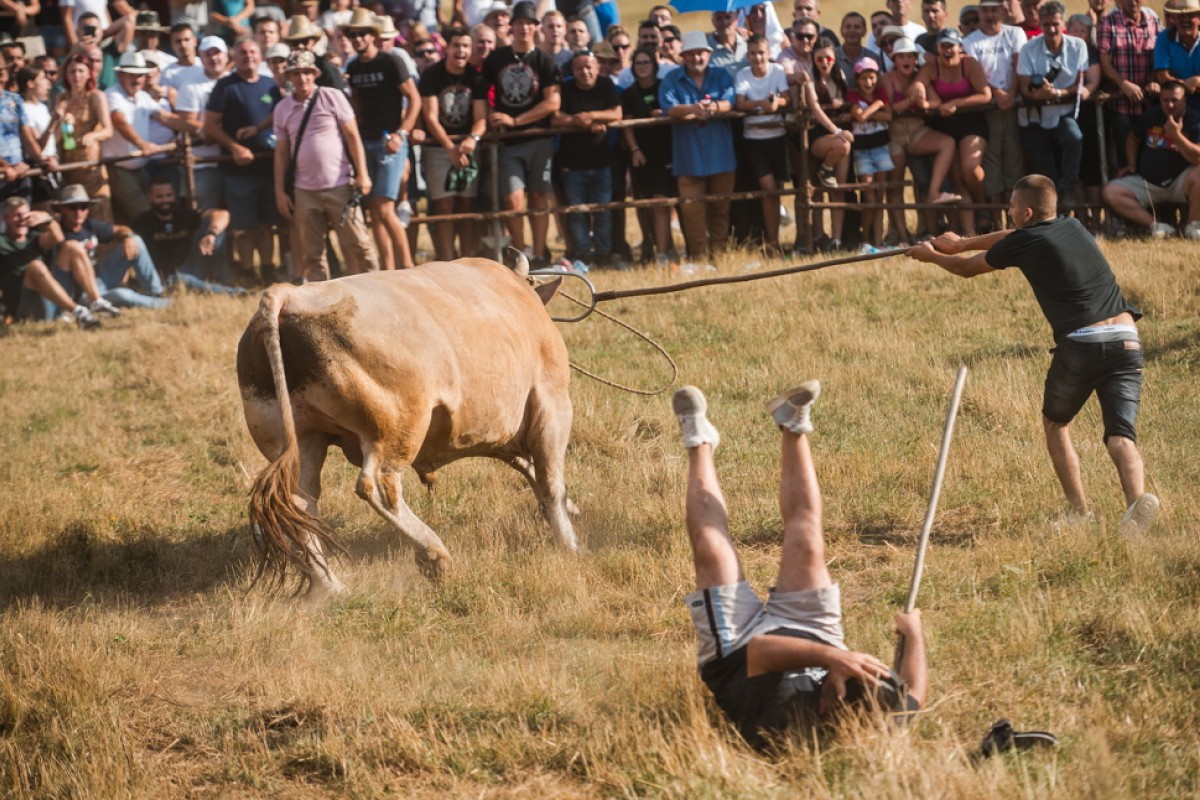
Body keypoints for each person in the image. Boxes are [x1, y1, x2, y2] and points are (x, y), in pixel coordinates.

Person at [670, 380, 927, 752]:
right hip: (813, 636)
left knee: (712, 547)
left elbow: (762, 650)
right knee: (807, 541)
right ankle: (792, 424)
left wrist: (835, 657)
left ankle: (699, 441)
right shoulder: (876, 717)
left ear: (830, 699)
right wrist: (914, 633)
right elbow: (914, 695)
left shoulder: (785, 724)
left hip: (739, 650)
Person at [908, 174, 1160, 535]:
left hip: (1083, 342)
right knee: (1121, 435)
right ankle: (1136, 502)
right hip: (1127, 339)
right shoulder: (1073, 226)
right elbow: (1011, 238)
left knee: (1056, 425)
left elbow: (967, 270)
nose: (1007, 212)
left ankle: (1079, 513)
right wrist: (961, 243)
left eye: (1011, 207)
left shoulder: (1025, 239)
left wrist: (931, 257)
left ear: (1025, 212)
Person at [272, 50, 376, 281]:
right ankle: (323, 307)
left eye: (307, 72)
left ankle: (378, 292)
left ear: (315, 74)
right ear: (289, 76)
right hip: (304, 189)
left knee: (360, 245)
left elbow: (352, 136)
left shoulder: (332, 97)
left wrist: (363, 174)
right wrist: (280, 191)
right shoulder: (282, 109)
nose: (302, 78)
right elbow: (281, 153)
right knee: (313, 254)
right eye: (296, 73)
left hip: (340, 184)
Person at [477, 0, 561, 266]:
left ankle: (539, 253)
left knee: (539, 197)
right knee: (512, 199)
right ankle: (520, 254)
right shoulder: (496, 59)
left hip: (539, 138)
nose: (524, 28)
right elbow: (482, 95)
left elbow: (552, 103)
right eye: (519, 23)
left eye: (529, 23)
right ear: (510, 27)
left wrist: (516, 119)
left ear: (536, 28)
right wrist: (488, 118)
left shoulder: (545, 61)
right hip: (508, 143)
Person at [343, 8, 420, 270]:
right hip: (366, 142)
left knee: (386, 208)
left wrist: (402, 134)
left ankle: (408, 268)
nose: (357, 38)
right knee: (375, 210)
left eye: (362, 33)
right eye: (352, 34)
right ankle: (387, 271)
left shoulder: (390, 62)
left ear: (373, 35)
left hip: (390, 142)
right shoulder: (352, 67)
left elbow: (415, 99)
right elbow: (355, 106)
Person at [204, 38, 282, 283]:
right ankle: (248, 272)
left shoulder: (271, 85)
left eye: (252, 51)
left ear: (260, 56)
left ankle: (269, 269)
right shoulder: (225, 86)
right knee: (244, 228)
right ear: (233, 58)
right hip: (238, 171)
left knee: (268, 226)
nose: (248, 56)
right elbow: (209, 124)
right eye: (242, 53)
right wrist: (234, 147)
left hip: (269, 168)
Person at [660, 29, 736, 263]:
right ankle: (700, 258)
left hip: (720, 155)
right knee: (692, 212)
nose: (697, 58)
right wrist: (692, 109)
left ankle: (720, 256)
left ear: (709, 54)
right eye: (691, 54)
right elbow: (668, 106)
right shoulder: (672, 79)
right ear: (683, 56)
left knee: (720, 209)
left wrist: (714, 108)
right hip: (688, 158)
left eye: (701, 53)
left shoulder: (722, 75)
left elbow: (730, 100)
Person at [881, 38, 960, 246]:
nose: (906, 60)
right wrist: (910, 102)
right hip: (894, 137)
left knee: (947, 143)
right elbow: (889, 108)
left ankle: (935, 193)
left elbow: (936, 102)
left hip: (916, 131)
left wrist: (924, 103)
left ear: (916, 59)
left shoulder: (919, 78)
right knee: (896, 188)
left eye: (910, 56)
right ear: (894, 59)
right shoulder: (887, 78)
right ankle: (903, 238)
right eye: (902, 56)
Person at [420, 26, 487, 261]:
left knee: (467, 205)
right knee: (444, 207)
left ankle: (467, 261)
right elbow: (430, 117)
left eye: (466, 46)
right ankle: (448, 261)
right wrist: (449, 147)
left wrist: (472, 138)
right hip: (439, 148)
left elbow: (481, 118)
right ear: (446, 47)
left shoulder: (476, 76)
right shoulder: (431, 75)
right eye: (457, 45)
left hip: (467, 148)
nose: (461, 50)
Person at [1101, 80, 1200, 238]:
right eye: (1165, 100)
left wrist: (1176, 135)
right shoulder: (1152, 115)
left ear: (1184, 100)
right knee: (1111, 191)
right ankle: (1157, 226)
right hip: (1148, 183)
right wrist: (1132, 163)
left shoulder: (1194, 119)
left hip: (1180, 184)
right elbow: (1133, 138)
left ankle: (1194, 226)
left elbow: (1198, 158)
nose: (1170, 105)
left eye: (1174, 100)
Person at [1016, 2, 1090, 211]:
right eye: (1046, 24)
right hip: (1035, 117)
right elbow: (1024, 86)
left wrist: (1056, 93)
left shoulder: (1078, 46)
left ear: (1064, 23)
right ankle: (1052, 210)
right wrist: (1037, 94)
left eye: (1055, 24)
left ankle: (1067, 191)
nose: (1051, 29)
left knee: (1074, 138)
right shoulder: (1029, 48)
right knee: (1044, 168)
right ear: (1039, 24)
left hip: (1064, 113)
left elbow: (1081, 82)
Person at [51, 183, 170, 312]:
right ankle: (167, 305)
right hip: (80, 293)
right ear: (62, 209)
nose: (78, 211)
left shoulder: (89, 225)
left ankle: (157, 292)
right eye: (72, 207)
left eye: (83, 206)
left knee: (135, 240)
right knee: (123, 295)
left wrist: (127, 236)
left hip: (100, 279)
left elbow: (120, 229)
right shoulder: (57, 233)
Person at [917, 27, 991, 236]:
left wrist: (956, 103)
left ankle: (982, 204)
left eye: (952, 46)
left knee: (970, 166)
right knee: (957, 179)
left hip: (971, 121)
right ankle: (969, 232)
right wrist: (921, 91)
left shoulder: (970, 64)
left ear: (960, 48)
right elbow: (916, 86)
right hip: (945, 126)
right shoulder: (931, 67)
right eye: (944, 47)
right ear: (938, 49)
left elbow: (985, 95)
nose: (948, 51)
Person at [551, 49, 621, 268]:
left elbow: (616, 114)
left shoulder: (606, 85)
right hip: (571, 164)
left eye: (589, 66)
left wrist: (591, 116)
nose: (585, 71)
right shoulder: (565, 88)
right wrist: (575, 120)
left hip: (601, 161)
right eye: (579, 67)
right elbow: (555, 118)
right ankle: (582, 253)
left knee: (602, 211)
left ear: (597, 68)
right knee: (576, 212)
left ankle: (603, 253)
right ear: (572, 70)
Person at [965, 0, 1027, 222]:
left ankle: (1015, 220)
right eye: (985, 10)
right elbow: (975, 75)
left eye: (994, 10)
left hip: (1013, 106)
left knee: (1013, 159)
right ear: (979, 12)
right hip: (987, 109)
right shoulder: (970, 41)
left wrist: (1010, 92)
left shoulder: (1015, 33)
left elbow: (1018, 65)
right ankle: (995, 221)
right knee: (991, 163)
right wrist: (998, 94)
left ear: (1003, 11)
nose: (990, 15)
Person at [132, 175, 247, 293]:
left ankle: (223, 280)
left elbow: (223, 214)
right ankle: (235, 293)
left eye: (169, 195)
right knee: (179, 279)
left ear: (175, 195)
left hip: (193, 267)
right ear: (149, 198)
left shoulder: (185, 214)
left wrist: (211, 233)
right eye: (159, 197)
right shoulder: (142, 222)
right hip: (165, 277)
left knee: (215, 228)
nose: (165, 200)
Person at [0, 195, 103, 327]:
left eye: (25, 215)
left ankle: (97, 302)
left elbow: (58, 238)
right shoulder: (2, 242)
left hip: (51, 298)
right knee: (36, 266)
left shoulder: (34, 239)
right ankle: (79, 312)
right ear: (4, 218)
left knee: (72, 246)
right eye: (16, 215)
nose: (22, 219)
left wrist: (48, 220)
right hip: (25, 308)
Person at [736, 34, 790, 256]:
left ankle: (773, 241)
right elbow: (740, 102)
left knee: (776, 190)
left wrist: (777, 103)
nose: (757, 57)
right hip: (755, 140)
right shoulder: (743, 74)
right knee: (768, 189)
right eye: (752, 53)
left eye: (761, 52)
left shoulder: (777, 71)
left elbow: (787, 98)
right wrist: (762, 103)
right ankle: (771, 242)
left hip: (777, 136)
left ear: (768, 53)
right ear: (747, 55)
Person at [621, 46, 675, 265]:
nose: (642, 67)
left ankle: (669, 251)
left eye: (646, 62)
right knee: (653, 203)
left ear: (655, 65)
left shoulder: (665, 88)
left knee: (669, 202)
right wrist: (634, 150)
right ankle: (660, 251)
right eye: (638, 63)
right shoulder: (629, 94)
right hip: (643, 155)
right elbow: (627, 126)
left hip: (669, 151)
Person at [1098, 0, 1162, 173]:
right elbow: (1105, 62)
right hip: (1121, 105)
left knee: (1152, 152)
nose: (1132, 2)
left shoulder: (1154, 22)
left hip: (1149, 103)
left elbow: (1161, 57)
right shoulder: (1108, 22)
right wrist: (1123, 84)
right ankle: (1127, 194)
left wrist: (1155, 80)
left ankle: (1151, 195)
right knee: (1125, 159)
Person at [103, 51, 164, 224]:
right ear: (121, 75)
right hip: (119, 169)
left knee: (140, 216)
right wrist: (142, 144)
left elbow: (165, 117)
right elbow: (119, 121)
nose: (136, 79)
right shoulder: (112, 94)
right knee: (144, 216)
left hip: (138, 168)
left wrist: (198, 129)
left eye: (140, 75)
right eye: (131, 74)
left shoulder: (143, 97)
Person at [175, 37, 230, 213]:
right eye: (208, 54)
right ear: (201, 56)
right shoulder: (190, 85)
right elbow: (186, 120)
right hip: (204, 163)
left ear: (226, 56)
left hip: (233, 161)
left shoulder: (235, 81)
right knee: (206, 213)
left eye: (217, 53)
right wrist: (213, 133)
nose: (213, 58)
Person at [53, 51, 111, 219]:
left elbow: (108, 130)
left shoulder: (96, 96)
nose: (76, 76)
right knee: (74, 215)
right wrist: (61, 120)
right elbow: (55, 138)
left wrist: (93, 135)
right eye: (72, 71)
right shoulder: (61, 99)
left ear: (89, 73)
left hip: (91, 166)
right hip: (69, 165)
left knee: (99, 212)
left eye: (81, 71)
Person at [847, 57, 894, 253]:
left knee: (880, 196)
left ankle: (878, 240)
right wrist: (878, 105)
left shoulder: (880, 93)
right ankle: (865, 239)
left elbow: (889, 116)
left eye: (872, 78)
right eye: (864, 78)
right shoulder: (852, 95)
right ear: (857, 79)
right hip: (862, 152)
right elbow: (860, 116)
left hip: (881, 147)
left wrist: (870, 109)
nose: (868, 82)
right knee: (870, 197)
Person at [1153, 0, 1200, 115]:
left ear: (1199, 18)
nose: (1185, 20)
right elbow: (1162, 76)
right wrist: (1185, 84)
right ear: (1175, 18)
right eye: (1180, 16)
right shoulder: (1164, 38)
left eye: (1190, 15)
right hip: (1176, 103)